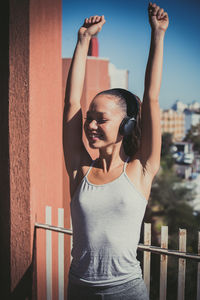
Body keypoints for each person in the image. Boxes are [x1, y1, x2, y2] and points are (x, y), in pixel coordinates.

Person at [63, 2, 169, 299]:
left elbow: (151, 97)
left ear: (126, 125)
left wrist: (157, 36)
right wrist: (82, 40)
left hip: (127, 292)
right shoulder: (79, 170)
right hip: (79, 289)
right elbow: (72, 104)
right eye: (90, 119)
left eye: (102, 119)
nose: (91, 125)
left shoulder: (141, 169)